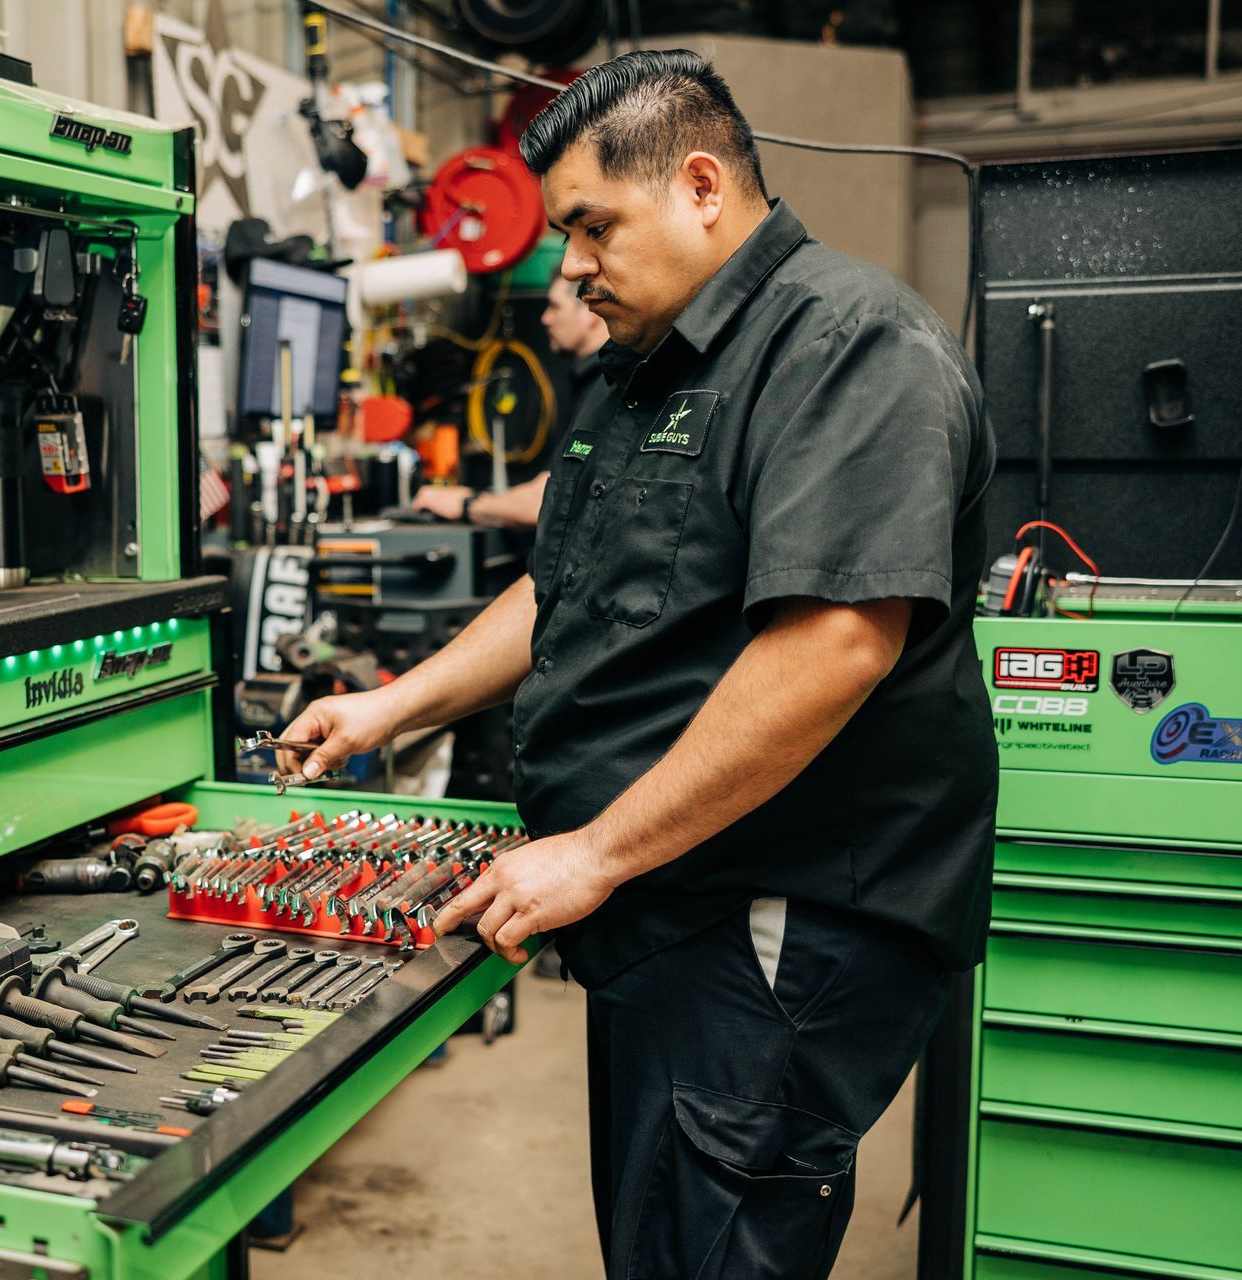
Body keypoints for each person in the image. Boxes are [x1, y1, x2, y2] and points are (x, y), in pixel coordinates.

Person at [279, 49, 996, 1278]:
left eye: (593, 226)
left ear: (703, 185)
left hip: (773, 910)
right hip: (669, 901)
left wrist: (594, 850)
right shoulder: (649, 367)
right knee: (663, 1231)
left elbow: (833, 644)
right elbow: (569, 583)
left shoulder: (847, 344)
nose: (573, 267)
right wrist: (392, 706)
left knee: (708, 1247)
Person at [411, 274, 612, 527]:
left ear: (590, 311)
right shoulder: (592, 383)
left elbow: (551, 501)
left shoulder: (606, 387)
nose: (545, 318)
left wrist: (466, 503)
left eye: (554, 306)